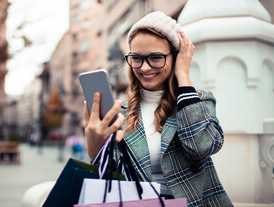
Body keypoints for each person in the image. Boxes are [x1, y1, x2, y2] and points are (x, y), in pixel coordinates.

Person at [84, 11, 233, 206]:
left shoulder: (198, 101)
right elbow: (111, 178)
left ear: (176, 56)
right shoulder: (120, 113)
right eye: (137, 58)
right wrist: (94, 145)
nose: (145, 68)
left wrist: (183, 76)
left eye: (156, 58)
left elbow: (201, 147)